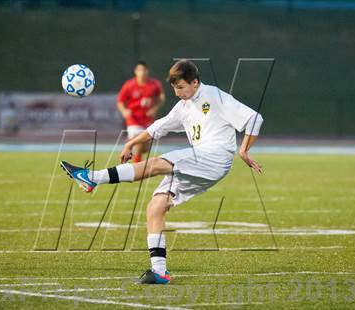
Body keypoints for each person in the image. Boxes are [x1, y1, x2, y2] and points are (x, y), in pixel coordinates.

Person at [60, 60, 264, 285]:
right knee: (155, 207)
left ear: (195, 82)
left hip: (215, 157)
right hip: (200, 163)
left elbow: (254, 118)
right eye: (175, 88)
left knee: (156, 163)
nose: (178, 93)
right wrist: (130, 144)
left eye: (182, 87)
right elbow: (156, 128)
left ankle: (93, 178)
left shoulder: (215, 96)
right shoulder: (183, 106)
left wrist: (244, 150)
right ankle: (160, 273)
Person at [117, 61, 165, 163]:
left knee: (146, 148)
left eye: (144, 70)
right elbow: (120, 101)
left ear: (147, 71)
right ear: (135, 72)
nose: (142, 72)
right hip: (133, 119)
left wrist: (154, 108)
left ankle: (131, 146)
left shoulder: (154, 84)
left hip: (147, 119)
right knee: (138, 139)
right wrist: (124, 111)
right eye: (139, 70)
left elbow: (162, 97)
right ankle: (136, 167)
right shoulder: (129, 85)